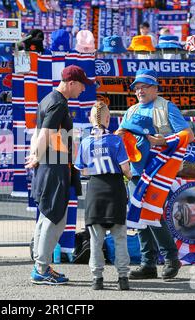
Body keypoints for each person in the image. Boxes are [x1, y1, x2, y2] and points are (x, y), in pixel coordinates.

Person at [115, 68, 194, 280]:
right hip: (135, 171)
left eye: (144, 87)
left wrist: (163, 141)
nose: (139, 91)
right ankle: (147, 264)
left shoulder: (167, 107)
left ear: (155, 88)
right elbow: (121, 137)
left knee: (153, 216)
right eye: (136, 88)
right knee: (138, 216)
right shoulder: (130, 111)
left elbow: (188, 134)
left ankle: (171, 259)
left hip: (158, 171)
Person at [25, 64, 93, 285]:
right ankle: (40, 268)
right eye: (82, 85)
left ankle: (41, 265)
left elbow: (37, 132)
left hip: (50, 165)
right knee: (55, 219)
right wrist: (36, 157)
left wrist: (34, 156)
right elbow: (45, 132)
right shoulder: (58, 104)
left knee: (48, 216)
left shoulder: (48, 99)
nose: (83, 90)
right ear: (71, 83)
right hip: (54, 166)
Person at [74, 101, 133, 291]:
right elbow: (126, 170)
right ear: (108, 119)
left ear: (91, 119)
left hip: (95, 191)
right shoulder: (116, 141)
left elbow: (81, 170)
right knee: (120, 237)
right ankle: (123, 278)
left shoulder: (84, 142)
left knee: (95, 240)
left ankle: (97, 279)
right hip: (115, 190)